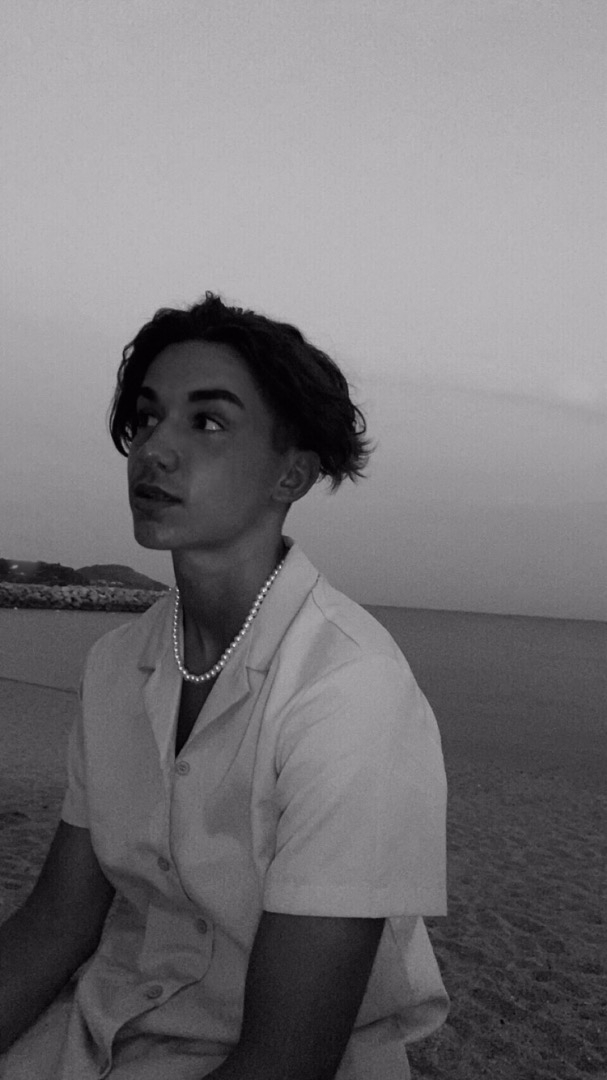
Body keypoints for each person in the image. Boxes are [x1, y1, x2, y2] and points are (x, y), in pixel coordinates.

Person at [0, 293, 449, 1079]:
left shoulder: (350, 691)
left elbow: (287, 1057)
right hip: (102, 1023)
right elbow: (58, 920)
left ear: (292, 473)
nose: (154, 449)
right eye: (147, 418)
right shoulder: (115, 663)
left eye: (206, 422)